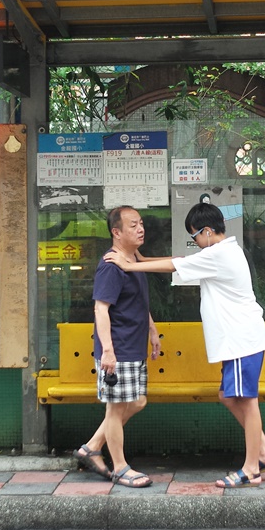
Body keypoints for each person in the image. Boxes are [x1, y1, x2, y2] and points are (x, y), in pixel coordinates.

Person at [104, 201, 265, 487]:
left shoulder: (218, 255)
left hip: (240, 341)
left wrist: (130, 265)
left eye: (195, 236)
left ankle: (252, 468)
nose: (196, 242)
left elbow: (177, 264)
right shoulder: (221, 252)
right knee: (228, 396)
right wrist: (140, 260)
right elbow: (180, 260)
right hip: (239, 341)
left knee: (248, 402)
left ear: (208, 231)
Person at [75, 206, 160, 488]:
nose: (140, 228)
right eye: (133, 225)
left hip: (132, 346)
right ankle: (121, 467)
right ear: (116, 232)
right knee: (115, 408)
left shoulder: (132, 258)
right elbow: (101, 309)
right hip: (118, 348)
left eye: (141, 223)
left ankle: (91, 448)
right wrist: (108, 350)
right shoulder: (111, 266)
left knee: (137, 402)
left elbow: (136, 300)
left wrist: (151, 328)